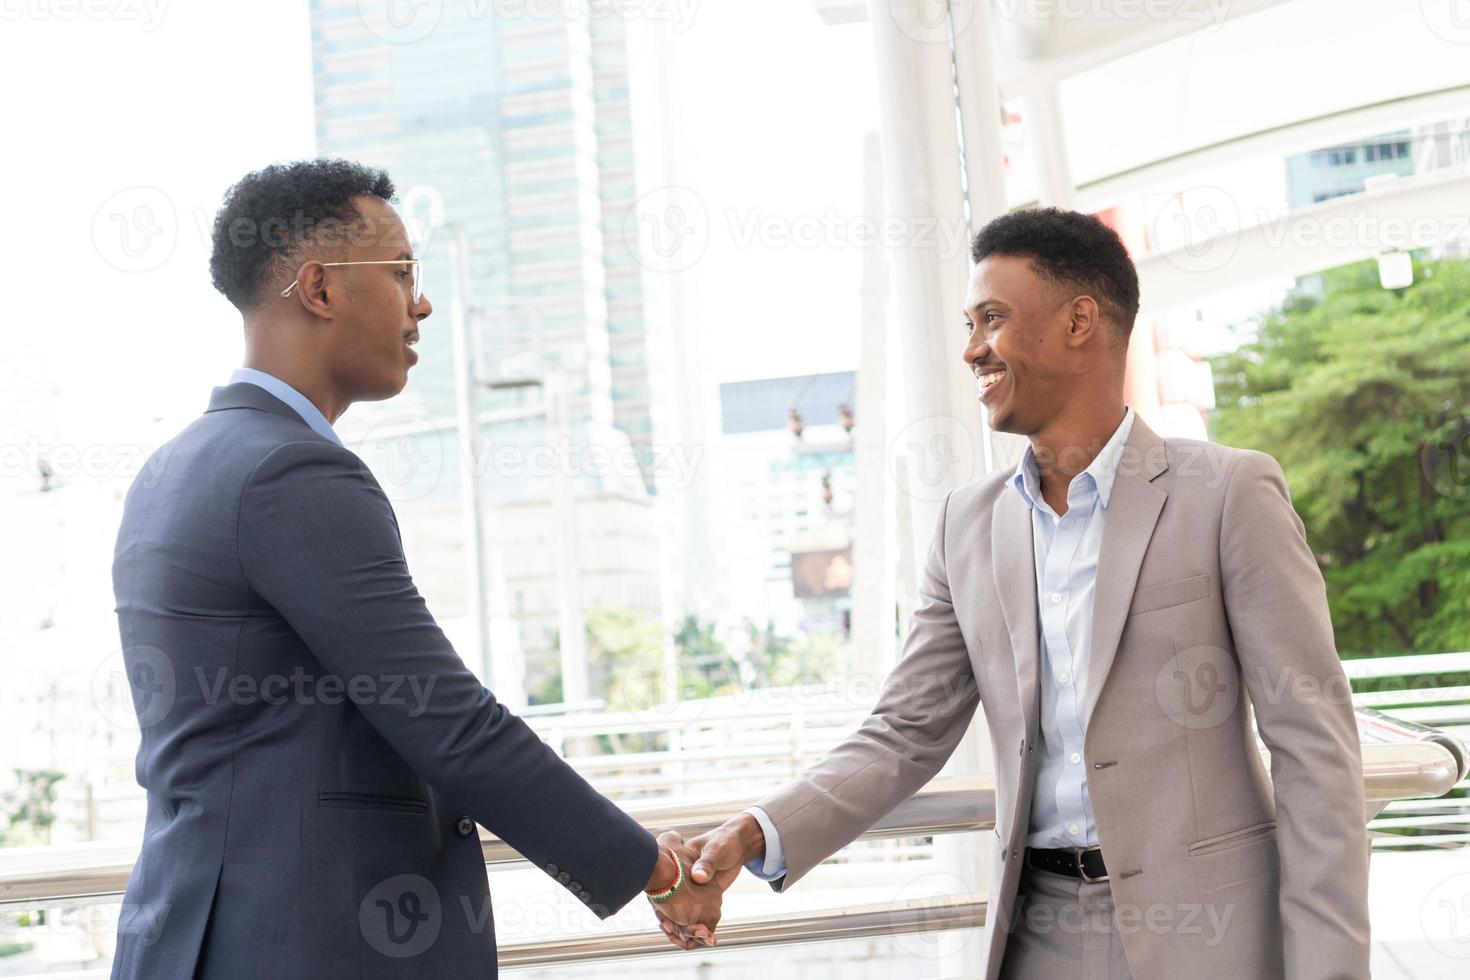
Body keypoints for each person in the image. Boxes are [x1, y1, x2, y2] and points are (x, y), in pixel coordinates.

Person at [660, 208, 1371, 980]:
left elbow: (1314, 748)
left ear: (1079, 322)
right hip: (1038, 936)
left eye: (991, 320)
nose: (971, 350)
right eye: (969, 324)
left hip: (1214, 937)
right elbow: (904, 732)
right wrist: (754, 832)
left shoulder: (1228, 494)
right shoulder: (966, 525)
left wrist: (1330, 969)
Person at [109, 159, 718, 979]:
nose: (421, 303)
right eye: (401, 274)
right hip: (306, 945)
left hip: (195, 937)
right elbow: (449, 722)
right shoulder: (290, 473)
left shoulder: (172, 467)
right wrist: (656, 868)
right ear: (320, 290)